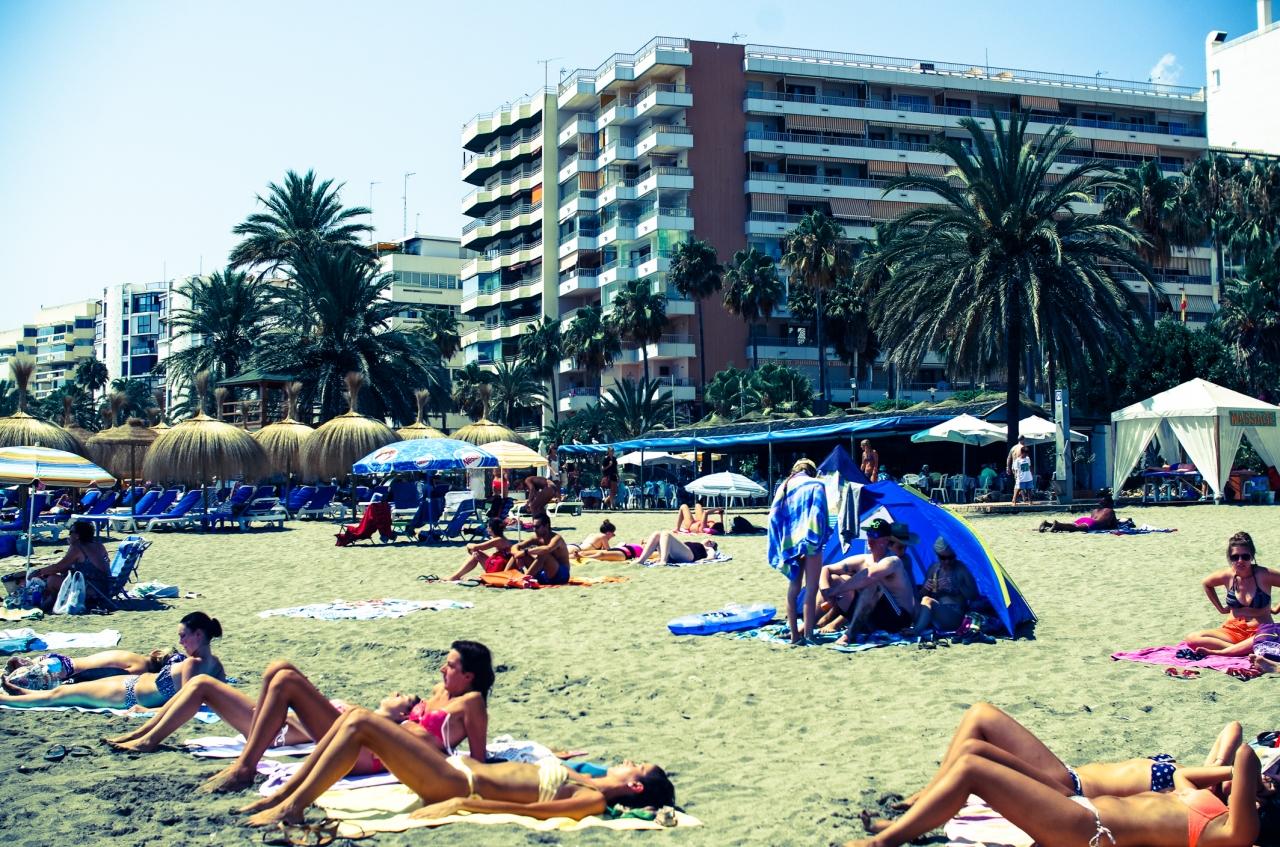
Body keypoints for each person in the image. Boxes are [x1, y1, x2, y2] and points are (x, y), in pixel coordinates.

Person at [106, 641, 493, 795]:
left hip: (374, 757)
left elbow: (477, 757)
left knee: (287, 679)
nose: (442, 668)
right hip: (371, 740)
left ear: (470, 676)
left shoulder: (471, 703)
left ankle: (245, 767)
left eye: (451, 665)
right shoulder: (441, 692)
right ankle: (256, 737)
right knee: (279, 667)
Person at [845, 709, 1263, 847]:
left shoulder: (1233, 833)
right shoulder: (1205, 803)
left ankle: (883, 842)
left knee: (973, 769)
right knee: (974, 753)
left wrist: (1261, 778)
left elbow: (1244, 754)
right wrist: (1245, 780)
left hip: (1089, 831)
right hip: (1081, 810)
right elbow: (1230, 747)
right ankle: (907, 819)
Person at [238, 706, 674, 829]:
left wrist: (462, 804)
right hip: (452, 770)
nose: (627, 761)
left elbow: (531, 811)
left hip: (453, 783)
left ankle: (292, 807)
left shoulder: (591, 799)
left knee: (361, 724)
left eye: (636, 766)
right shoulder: (586, 777)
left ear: (636, 786)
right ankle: (288, 795)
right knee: (354, 718)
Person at [0, 612, 223, 710]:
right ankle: (23, 693)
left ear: (198, 634)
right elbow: (215, 697)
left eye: (183, 636)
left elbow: (185, 705)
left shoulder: (192, 664)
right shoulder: (216, 665)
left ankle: (6, 699)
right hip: (131, 685)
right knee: (62, 693)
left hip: (128, 694)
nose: (180, 642)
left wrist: (147, 712)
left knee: (60, 696)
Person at [1185, 531, 1280, 656]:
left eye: (1245, 556)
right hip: (1232, 631)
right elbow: (1206, 584)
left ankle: (1225, 652)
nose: (1240, 561)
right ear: (1230, 558)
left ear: (1252, 556)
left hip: (1260, 631)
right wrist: (1221, 609)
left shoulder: (1264, 574)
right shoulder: (1227, 575)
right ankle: (1239, 650)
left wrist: (1276, 609)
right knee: (1192, 638)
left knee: (1268, 638)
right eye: (1235, 557)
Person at [824, 519, 918, 643]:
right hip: (876, 614)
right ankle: (808, 627)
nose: (870, 539)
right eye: (869, 534)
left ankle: (848, 634)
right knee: (838, 580)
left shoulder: (895, 561)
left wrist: (834, 592)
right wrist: (826, 591)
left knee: (871, 585)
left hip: (898, 618)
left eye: (875, 535)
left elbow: (869, 576)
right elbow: (826, 569)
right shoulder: (866, 559)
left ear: (886, 541)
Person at [768, 458, 830, 644]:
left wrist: (781, 542)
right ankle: (809, 634)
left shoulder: (784, 486)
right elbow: (818, 514)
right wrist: (815, 537)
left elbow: (773, 517)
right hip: (810, 541)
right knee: (811, 589)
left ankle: (794, 635)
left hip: (790, 543)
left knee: (793, 588)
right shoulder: (817, 484)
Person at [17, 519, 110, 608]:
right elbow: (68, 567)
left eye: (70, 532)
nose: (69, 535)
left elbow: (58, 567)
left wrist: (39, 572)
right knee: (55, 576)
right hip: (106, 587)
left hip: (93, 589)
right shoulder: (98, 545)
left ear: (77, 536)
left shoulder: (78, 547)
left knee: (52, 580)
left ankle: (50, 602)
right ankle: (50, 601)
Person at [909, 537, 978, 635]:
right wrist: (925, 588)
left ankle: (915, 631)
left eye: (951, 557)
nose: (947, 562)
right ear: (937, 555)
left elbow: (974, 596)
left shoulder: (961, 569)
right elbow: (922, 596)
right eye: (943, 558)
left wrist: (956, 587)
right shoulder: (934, 568)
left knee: (928, 601)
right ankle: (914, 626)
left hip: (955, 615)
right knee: (914, 601)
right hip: (938, 613)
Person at [509, 514, 571, 585]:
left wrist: (525, 552)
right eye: (533, 527)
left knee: (543, 554)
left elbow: (547, 549)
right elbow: (516, 546)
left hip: (560, 575)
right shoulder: (536, 538)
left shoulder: (557, 538)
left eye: (537, 527)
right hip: (544, 573)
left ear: (546, 526)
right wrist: (517, 553)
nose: (534, 530)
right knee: (518, 554)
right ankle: (504, 575)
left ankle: (524, 578)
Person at [448, 519, 514, 581]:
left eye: (488, 527)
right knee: (476, 553)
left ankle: (455, 576)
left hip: (500, 570)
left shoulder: (498, 540)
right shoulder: (502, 538)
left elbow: (476, 547)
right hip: (502, 567)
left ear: (491, 529)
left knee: (475, 554)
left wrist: (468, 544)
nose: (487, 529)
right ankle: (456, 576)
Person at [1039, 493, 1119, 533]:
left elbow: (1092, 519)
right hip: (1093, 523)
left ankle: (1047, 524)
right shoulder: (1110, 511)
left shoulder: (1095, 510)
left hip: (1084, 519)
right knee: (1076, 528)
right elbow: (1114, 526)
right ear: (1110, 503)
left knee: (1074, 525)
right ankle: (1057, 525)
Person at [632, 529, 718, 566]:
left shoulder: (707, 548)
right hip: (676, 555)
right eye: (710, 540)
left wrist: (705, 560)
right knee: (657, 534)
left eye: (711, 543)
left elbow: (712, 555)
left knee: (666, 534)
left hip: (690, 555)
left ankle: (663, 561)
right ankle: (641, 560)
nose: (709, 541)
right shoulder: (696, 543)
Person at [1008, 437, 1033, 505]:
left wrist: (1031, 475)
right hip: (1020, 474)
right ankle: (1014, 500)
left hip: (1027, 476)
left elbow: (1029, 467)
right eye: (1025, 453)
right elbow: (1015, 468)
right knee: (1018, 488)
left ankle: (1028, 500)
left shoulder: (1027, 458)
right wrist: (1016, 475)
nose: (1026, 455)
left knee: (1028, 489)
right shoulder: (1019, 458)